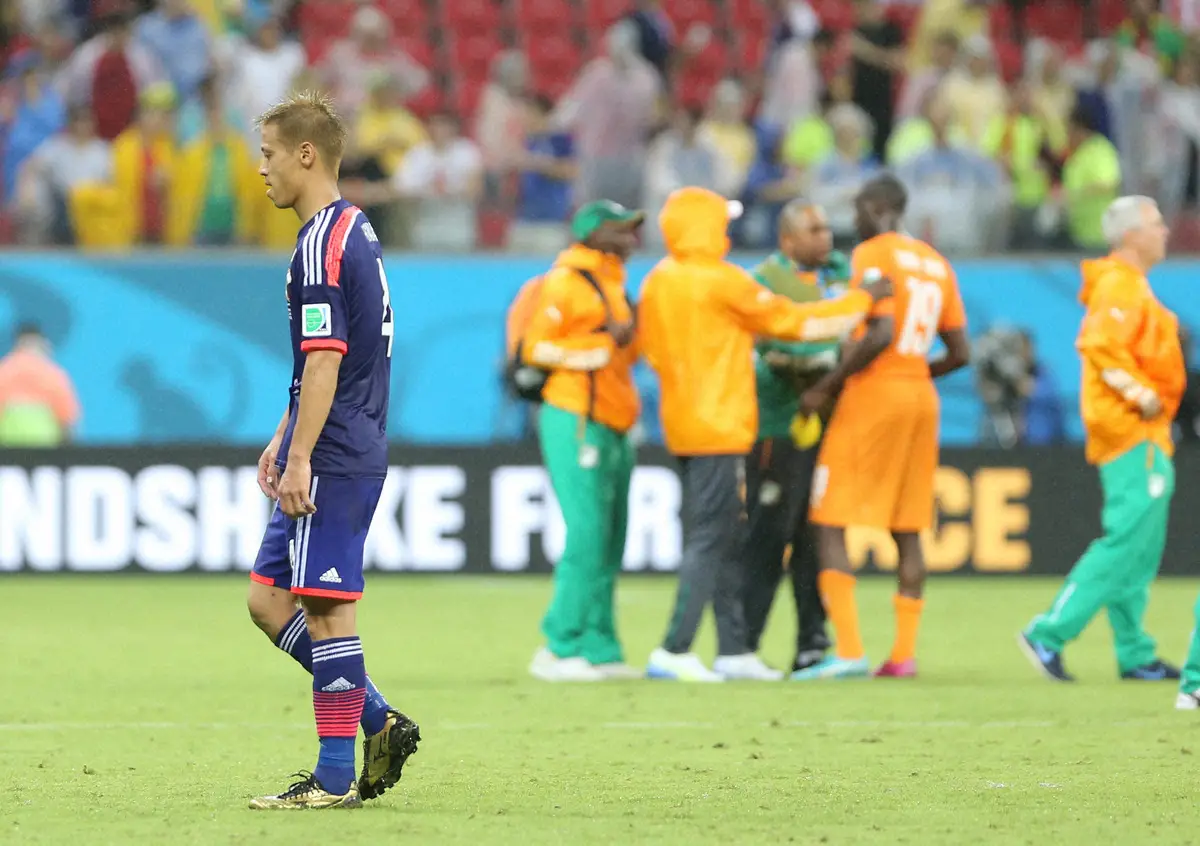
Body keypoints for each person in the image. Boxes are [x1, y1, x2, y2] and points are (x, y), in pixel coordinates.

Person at [637, 186, 890, 682]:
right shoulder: (723, 282)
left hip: (684, 419)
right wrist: (862, 301)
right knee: (712, 538)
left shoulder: (658, 281)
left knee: (726, 535)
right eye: (720, 220)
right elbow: (795, 324)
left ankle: (734, 650)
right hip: (721, 425)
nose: (727, 228)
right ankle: (674, 648)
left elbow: (652, 351)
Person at [244, 91, 418, 810]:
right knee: (267, 600)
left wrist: (303, 456)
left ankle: (334, 778)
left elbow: (325, 361)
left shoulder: (322, 241)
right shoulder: (354, 229)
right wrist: (284, 437)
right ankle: (378, 720)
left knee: (325, 610)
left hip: (338, 449)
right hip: (335, 437)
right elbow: (327, 361)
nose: (262, 171)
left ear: (305, 154)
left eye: (269, 154)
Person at [793, 173, 971, 681]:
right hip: (920, 396)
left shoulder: (873, 253)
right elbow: (961, 352)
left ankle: (847, 650)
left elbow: (882, 330)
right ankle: (903, 656)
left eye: (857, 209)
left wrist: (827, 386)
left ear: (877, 207)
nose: (853, 220)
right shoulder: (938, 263)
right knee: (908, 525)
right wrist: (914, 373)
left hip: (875, 393)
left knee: (828, 518)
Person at [1021, 195, 1184, 685]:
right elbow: (1099, 346)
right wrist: (1142, 395)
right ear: (1130, 234)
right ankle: (1048, 632)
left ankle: (1134, 651)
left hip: (1141, 432)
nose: (1165, 232)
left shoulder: (1129, 285)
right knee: (1125, 542)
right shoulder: (1119, 285)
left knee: (1139, 547)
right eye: (1156, 224)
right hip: (1133, 429)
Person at [520, 201, 644, 682]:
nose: (632, 238)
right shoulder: (565, 281)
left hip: (611, 418)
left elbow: (621, 354)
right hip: (574, 417)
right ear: (593, 233)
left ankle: (599, 645)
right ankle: (559, 646)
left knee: (610, 537)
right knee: (588, 531)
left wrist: (625, 340)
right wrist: (599, 347)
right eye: (622, 229)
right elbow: (537, 348)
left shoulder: (613, 281)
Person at [742, 200, 849, 673]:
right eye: (815, 229)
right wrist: (815, 368)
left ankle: (812, 641)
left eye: (827, 228)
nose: (826, 237)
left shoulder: (837, 277)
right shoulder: (761, 280)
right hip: (776, 425)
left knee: (812, 533)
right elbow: (764, 345)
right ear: (787, 240)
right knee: (769, 534)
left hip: (826, 424)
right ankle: (741, 644)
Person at [0, 323, 81, 447]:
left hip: (6, 450)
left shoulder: (4, 371)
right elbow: (68, 421)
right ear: (41, 342)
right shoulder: (52, 373)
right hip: (45, 450)